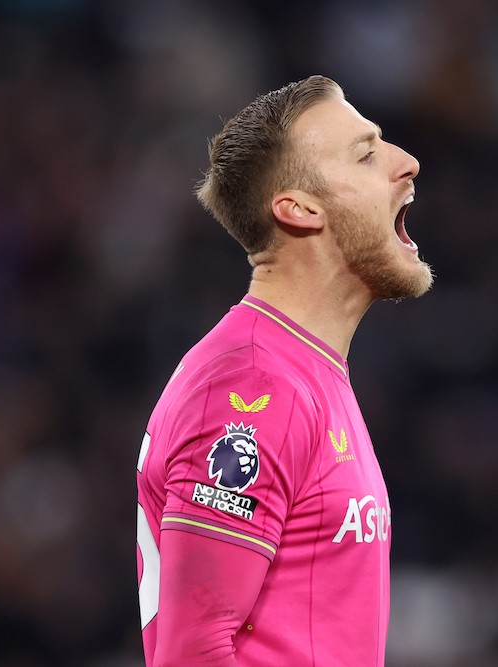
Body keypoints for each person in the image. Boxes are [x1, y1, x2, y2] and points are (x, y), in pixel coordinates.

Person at [135, 74, 433, 666]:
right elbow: (192, 654)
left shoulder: (303, 371)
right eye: (367, 155)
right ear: (300, 209)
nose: (409, 163)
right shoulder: (253, 385)